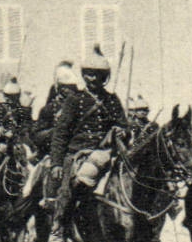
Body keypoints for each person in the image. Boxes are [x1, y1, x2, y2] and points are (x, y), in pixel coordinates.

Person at [43, 47, 130, 231]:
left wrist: (123, 131)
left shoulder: (112, 100)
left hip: (106, 152)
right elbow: (61, 133)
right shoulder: (75, 100)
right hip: (78, 153)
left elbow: (124, 125)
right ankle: (58, 227)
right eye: (88, 74)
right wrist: (57, 163)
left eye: (97, 75)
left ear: (104, 77)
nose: (92, 79)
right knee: (69, 188)